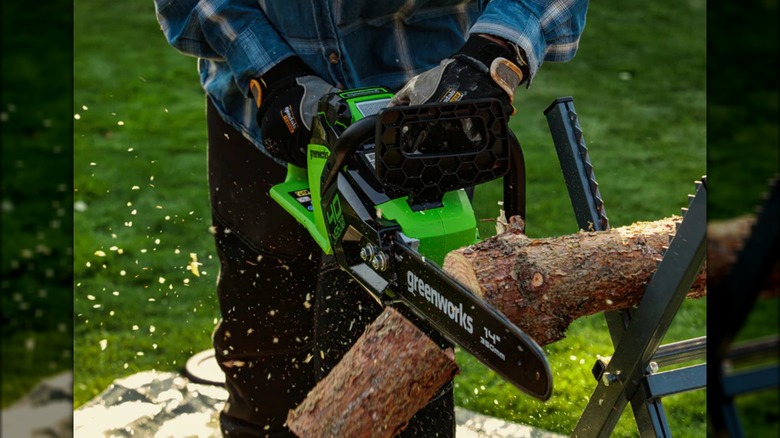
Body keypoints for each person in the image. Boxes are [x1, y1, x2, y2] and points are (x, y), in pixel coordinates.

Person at [153, 1, 588, 436]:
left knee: (392, 392)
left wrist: (494, 54)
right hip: (263, 107)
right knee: (263, 357)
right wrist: (267, 69)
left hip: (426, 120)